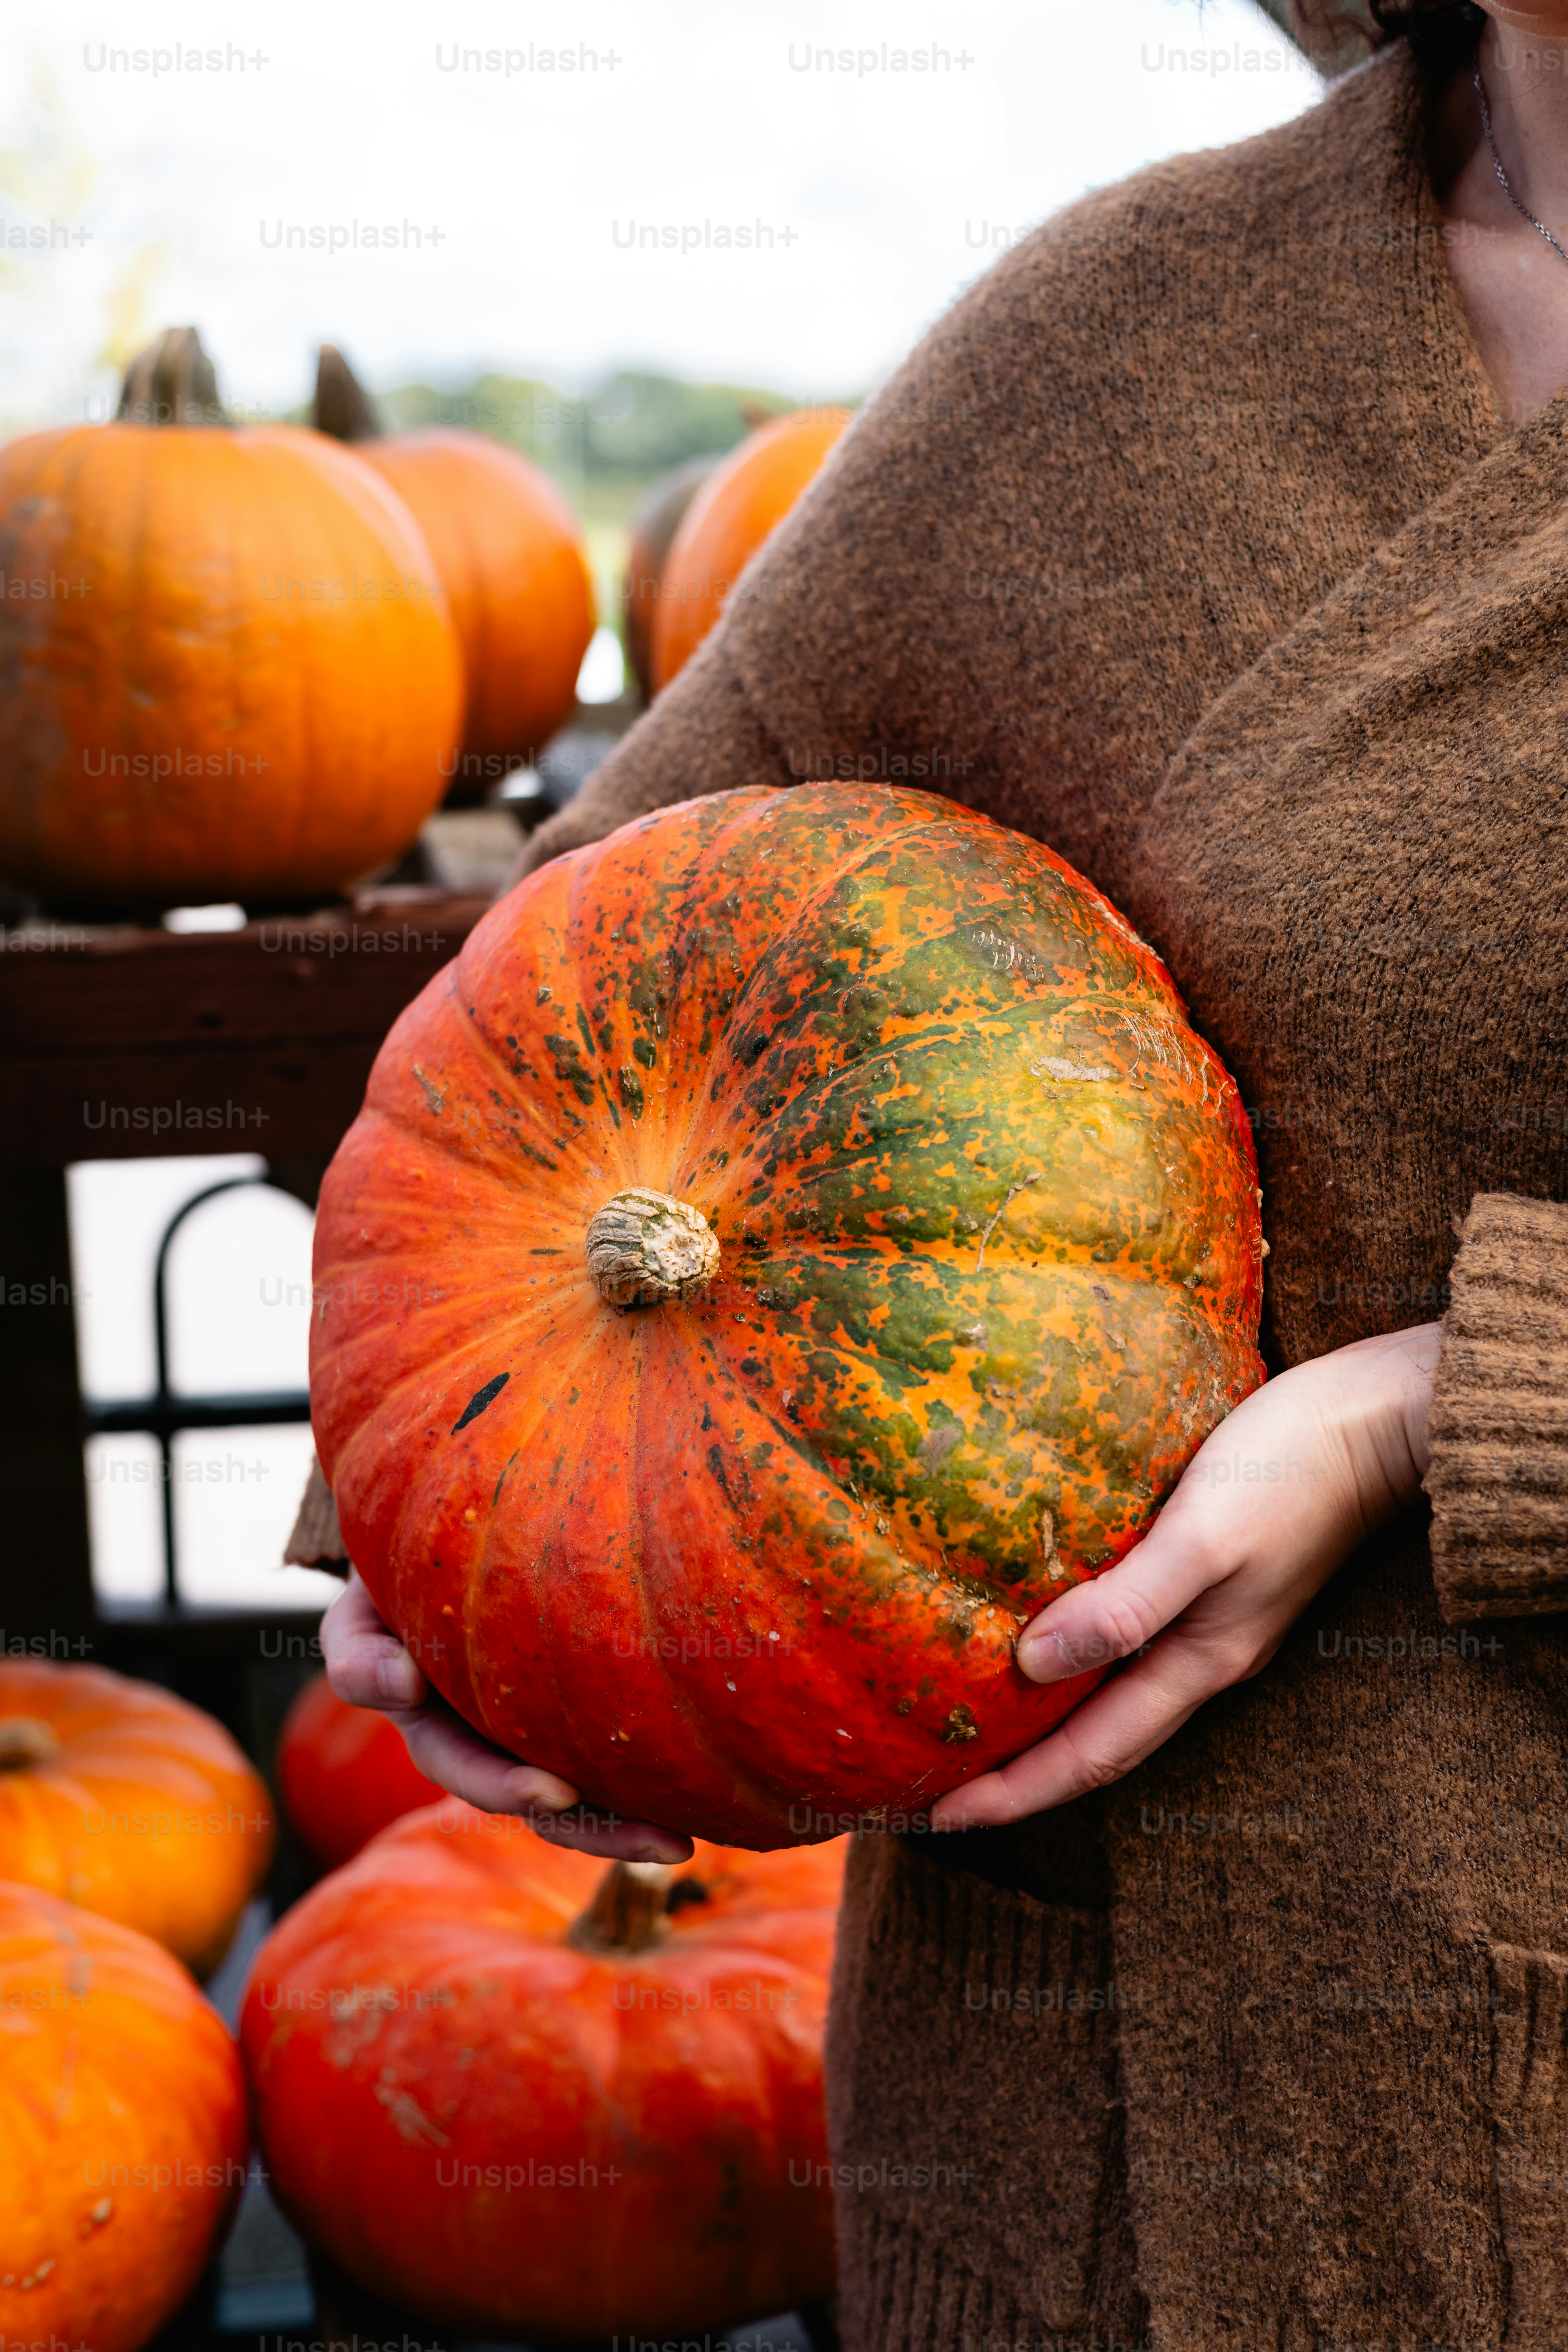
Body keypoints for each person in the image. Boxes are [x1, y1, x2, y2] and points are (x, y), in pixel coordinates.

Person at [323, 1, 1568, 2339]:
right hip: (1059, 2119)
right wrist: (465, 1497)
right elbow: (575, 993)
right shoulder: (1121, 330)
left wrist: (1434, 1404)